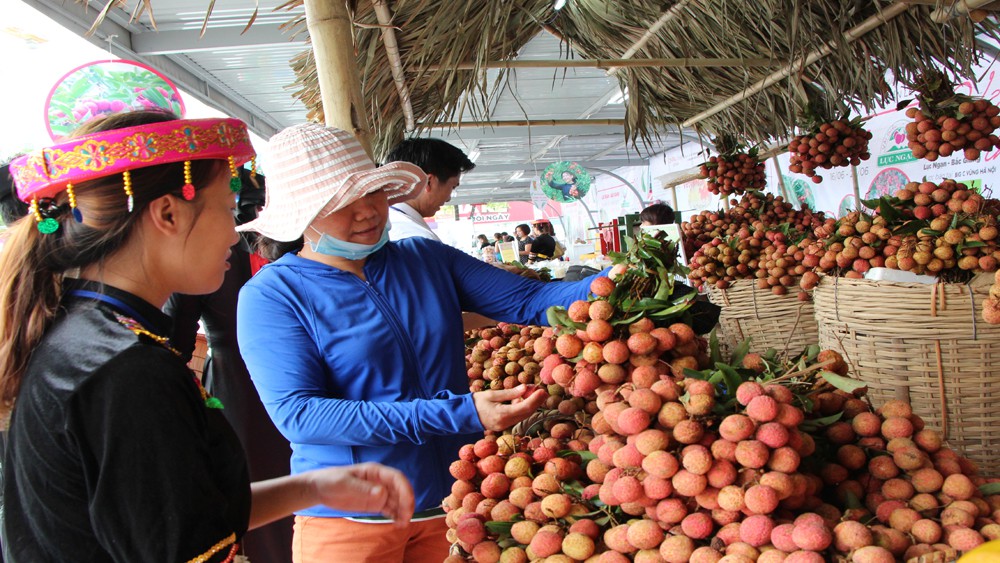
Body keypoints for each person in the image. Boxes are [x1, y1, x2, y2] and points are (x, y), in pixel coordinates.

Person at [0, 111, 414, 562]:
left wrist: (310, 488)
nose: (234, 235)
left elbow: (169, 513)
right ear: (168, 214)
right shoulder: (126, 370)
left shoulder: (85, 334)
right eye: (228, 211)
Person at [234, 123, 607, 563]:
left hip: (454, 510)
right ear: (302, 216)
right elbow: (301, 415)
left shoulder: (425, 260)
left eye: (371, 192)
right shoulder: (274, 295)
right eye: (341, 203)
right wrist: (462, 413)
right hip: (347, 520)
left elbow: (529, 300)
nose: (367, 211)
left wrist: (615, 287)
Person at [164, 168, 295, 563]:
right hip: (270, 380)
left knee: (262, 477)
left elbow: (176, 338)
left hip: (240, 384)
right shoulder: (298, 239)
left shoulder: (214, 249)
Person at [382, 138, 475, 241]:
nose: (449, 198)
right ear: (428, 182)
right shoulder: (421, 240)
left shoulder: (385, 224)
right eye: (453, 186)